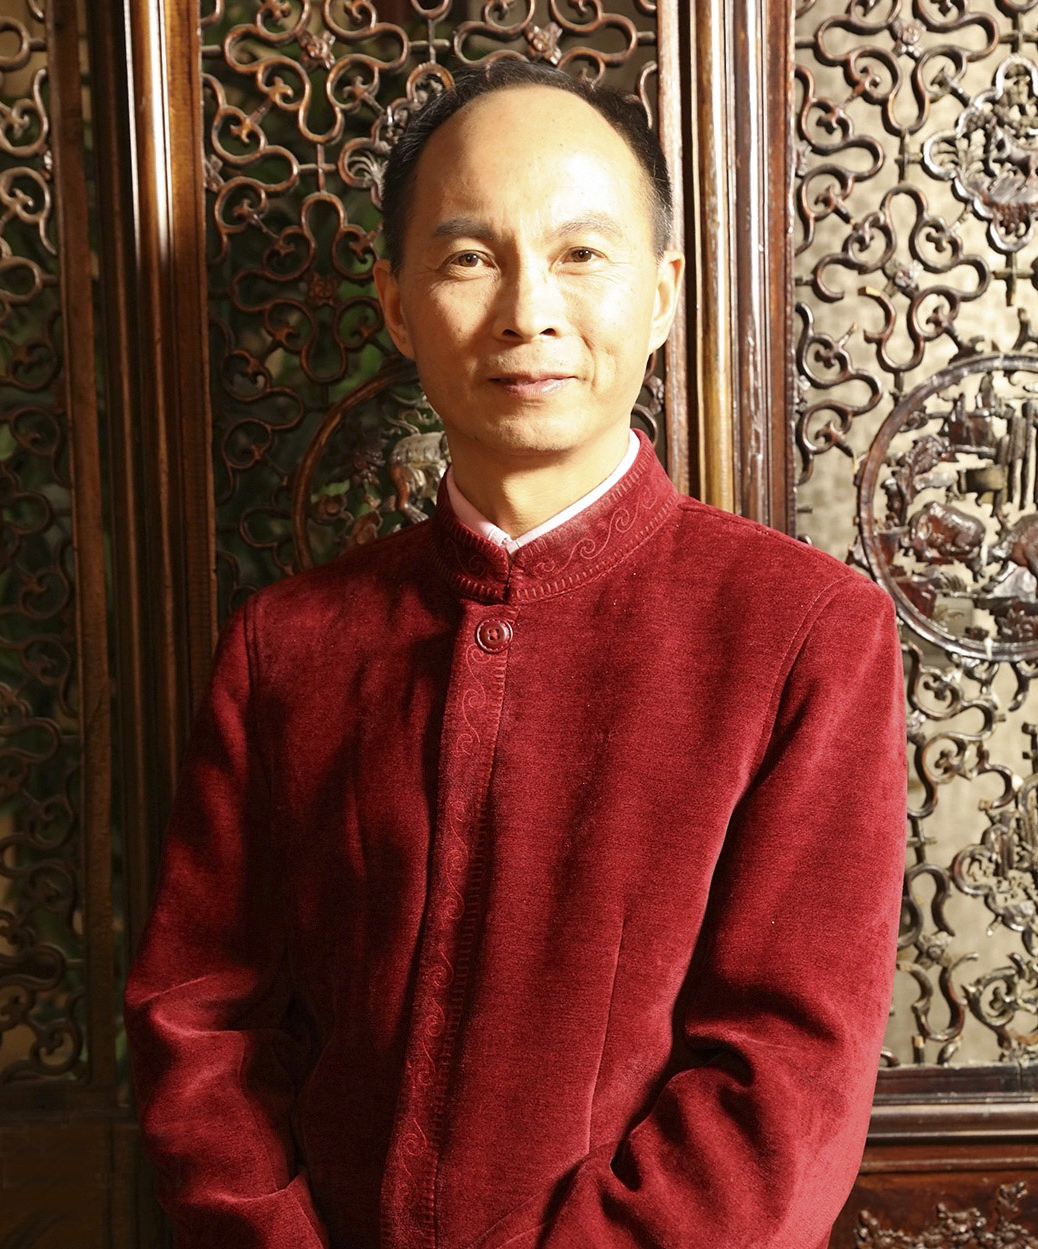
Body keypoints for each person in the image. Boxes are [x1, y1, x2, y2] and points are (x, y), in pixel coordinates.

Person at [124, 59, 908, 1249]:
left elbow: (786, 1071)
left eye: (582, 253)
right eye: (469, 258)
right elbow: (200, 1016)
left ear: (662, 295)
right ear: (397, 304)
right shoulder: (288, 644)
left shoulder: (805, 632)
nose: (528, 310)